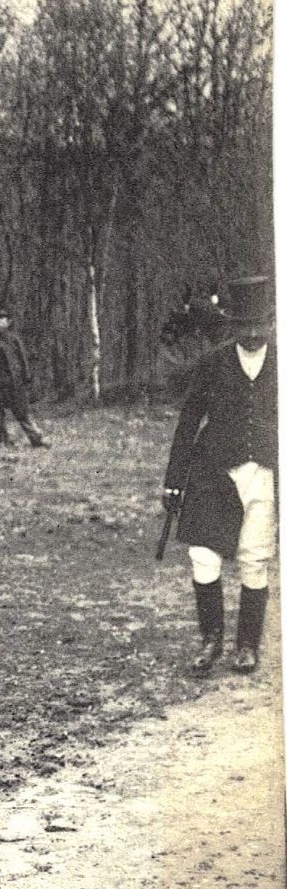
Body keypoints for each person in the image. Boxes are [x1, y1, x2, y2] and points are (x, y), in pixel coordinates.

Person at [163, 275, 277, 676]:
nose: (250, 333)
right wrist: (174, 478)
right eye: (242, 325)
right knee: (203, 556)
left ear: (271, 322)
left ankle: (246, 645)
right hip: (213, 472)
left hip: (263, 473)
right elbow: (190, 419)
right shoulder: (214, 362)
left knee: (254, 558)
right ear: (233, 326)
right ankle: (211, 641)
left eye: (258, 325)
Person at [0, 311, 48, 447]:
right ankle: (3, 441)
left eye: (4, 320)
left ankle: (36, 439)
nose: (1, 323)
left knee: (22, 412)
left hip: (14, 383)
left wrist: (26, 376)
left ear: (9, 323)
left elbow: (23, 359)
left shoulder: (14, 340)